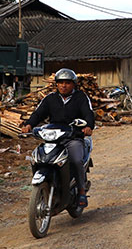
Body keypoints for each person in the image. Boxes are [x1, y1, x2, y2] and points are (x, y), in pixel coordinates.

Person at [21, 69, 95, 208]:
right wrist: (29, 125)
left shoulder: (81, 97)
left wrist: (88, 126)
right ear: (56, 84)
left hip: (73, 137)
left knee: (76, 160)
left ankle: (81, 191)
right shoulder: (50, 99)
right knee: (38, 157)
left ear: (73, 84)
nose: (64, 86)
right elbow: (38, 113)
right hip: (54, 138)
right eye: (60, 83)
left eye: (67, 83)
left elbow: (88, 114)